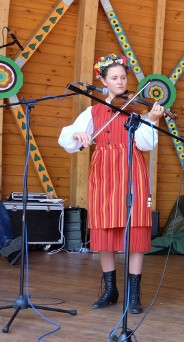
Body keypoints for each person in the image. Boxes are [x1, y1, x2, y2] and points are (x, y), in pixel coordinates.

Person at [59, 53, 165, 314]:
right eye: (114, 78)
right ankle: (110, 289)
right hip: (104, 173)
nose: (120, 82)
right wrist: (77, 133)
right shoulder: (92, 111)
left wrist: (151, 121)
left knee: (136, 230)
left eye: (123, 77)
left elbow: (145, 144)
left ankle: (134, 294)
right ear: (103, 81)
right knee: (104, 230)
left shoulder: (135, 110)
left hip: (132, 170)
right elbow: (67, 140)